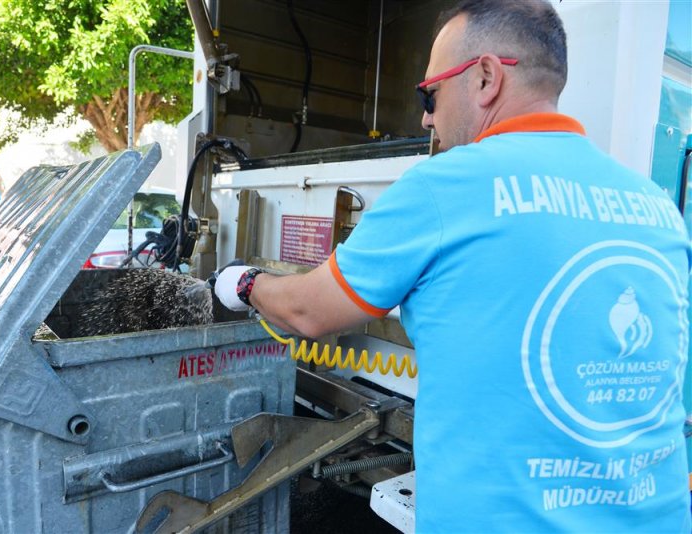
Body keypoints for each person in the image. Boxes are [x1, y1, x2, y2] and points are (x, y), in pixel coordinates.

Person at [215, 0, 692, 531]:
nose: (425, 116)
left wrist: (245, 282)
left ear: (486, 76)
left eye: (430, 93)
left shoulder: (445, 185)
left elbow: (307, 312)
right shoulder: (655, 206)